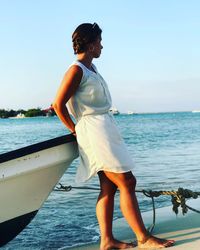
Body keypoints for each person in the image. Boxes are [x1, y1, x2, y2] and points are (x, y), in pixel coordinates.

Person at [53, 23, 174, 250]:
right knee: (127, 181)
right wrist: (75, 129)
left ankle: (107, 241)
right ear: (89, 45)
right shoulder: (76, 70)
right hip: (93, 131)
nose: (101, 46)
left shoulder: (92, 68)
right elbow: (58, 104)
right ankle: (143, 237)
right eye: (98, 41)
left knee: (108, 186)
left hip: (105, 128)